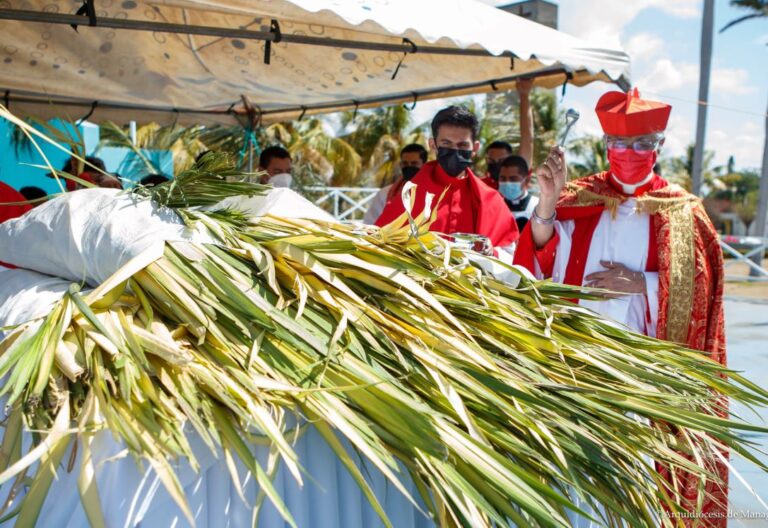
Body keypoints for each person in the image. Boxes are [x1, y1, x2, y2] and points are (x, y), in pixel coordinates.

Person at [514, 88, 727, 526]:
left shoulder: (684, 211)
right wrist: (548, 203)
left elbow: (702, 295)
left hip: (645, 372)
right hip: (578, 362)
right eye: (620, 143)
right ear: (606, 145)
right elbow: (542, 260)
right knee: (580, 481)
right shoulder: (578, 197)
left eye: (642, 144)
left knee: (642, 484)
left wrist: (642, 283)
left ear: (659, 146)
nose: (629, 153)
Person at [375, 106, 518, 256]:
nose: (454, 151)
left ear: (475, 148)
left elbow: (510, 253)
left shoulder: (491, 199)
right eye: (446, 144)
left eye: (462, 145)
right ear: (433, 145)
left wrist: (492, 252)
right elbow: (380, 243)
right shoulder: (410, 196)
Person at [481, 78, 534, 190]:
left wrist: (524, 95)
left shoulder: (518, 178)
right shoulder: (480, 186)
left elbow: (527, 139)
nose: (496, 165)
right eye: (492, 161)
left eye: (501, 161)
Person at [363, 144, 428, 224]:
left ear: (424, 165)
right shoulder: (384, 193)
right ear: (401, 165)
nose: (409, 167)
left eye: (414, 163)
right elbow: (370, 222)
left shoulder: (433, 192)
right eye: (405, 163)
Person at [497, 155, 538, 231]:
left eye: (513, 179)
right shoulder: (494, 206)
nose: (507, 183)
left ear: (527, 180)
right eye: (503, 179)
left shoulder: (537, 206)